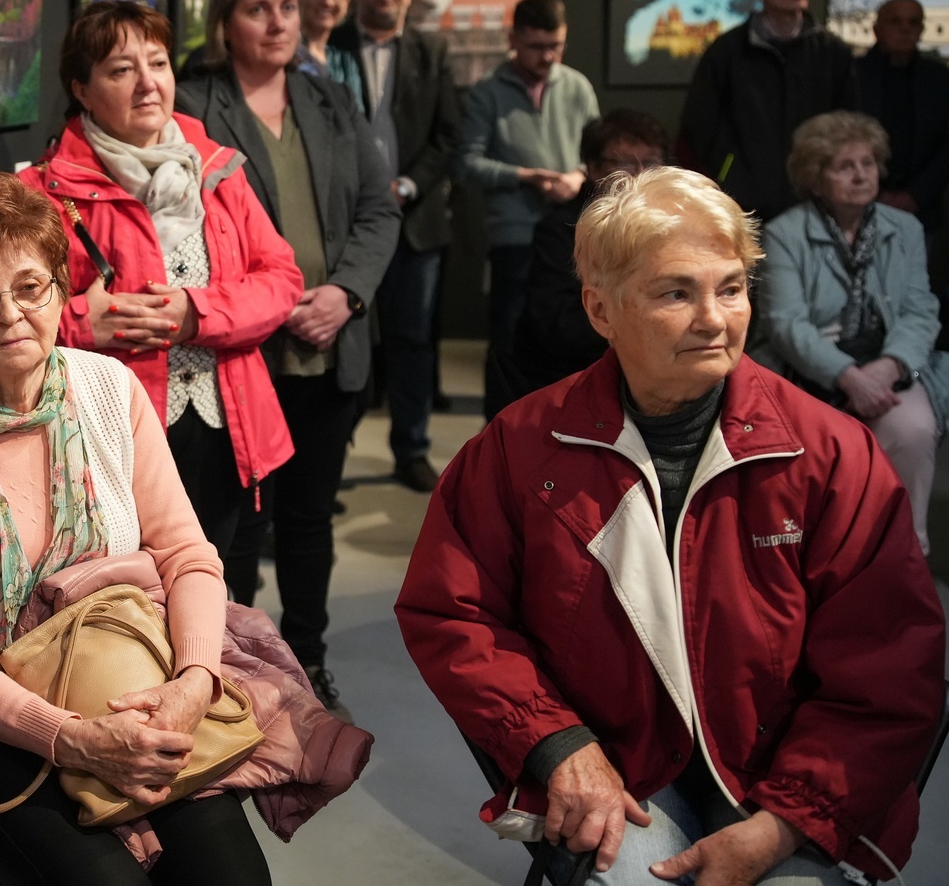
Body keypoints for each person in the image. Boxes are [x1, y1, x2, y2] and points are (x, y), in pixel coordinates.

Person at [397, 167, 944, 886]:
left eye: (732, 288)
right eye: (676, 293)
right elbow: (454, 611)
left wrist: (785, 823)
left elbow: (892, 664)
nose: (715, 319)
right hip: (619, 765)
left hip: (791, 778)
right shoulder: (521, 447)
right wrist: (558, 744)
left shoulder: (832, 454)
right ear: (601, 310)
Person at [0, 172, 273, 886]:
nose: (11, 315)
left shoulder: (109, 389)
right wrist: (73, 739)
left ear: (60, 293)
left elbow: (187, 556)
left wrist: (193, 683)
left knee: (233, 877)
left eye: (30, 288)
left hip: (133, 683)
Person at [175, 0, 399, 714]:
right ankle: (232, 669)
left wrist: (347, 294)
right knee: (234, 529)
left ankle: (307, 660)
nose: (277, 24)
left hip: (329, 349)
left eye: (288, 8)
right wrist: (261, 302)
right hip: (242, 358)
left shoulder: (328, 99)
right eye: (257, 9)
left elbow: (379, 210)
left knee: (308, 521)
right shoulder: (192, 105)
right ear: (225, 20)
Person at [20, 0, 304, 567]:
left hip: (230, 428)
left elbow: (281, 279)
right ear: (82, 89)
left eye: (158, 63)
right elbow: (10, 312)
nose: (148, 83)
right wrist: (81, 325)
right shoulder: (41, 191)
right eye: (122, 70)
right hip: (115, 435)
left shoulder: (216, 168)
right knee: (139, 594)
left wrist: (198, 314)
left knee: (225, 588)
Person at [754, 111, 948, 555]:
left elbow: (920, 310)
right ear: (815, 179)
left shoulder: (905, 228)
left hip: (888, 360)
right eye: (845, 166)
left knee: (914, 428)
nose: (861, 175)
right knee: (811, 443)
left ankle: (906, 554)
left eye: (868, 163)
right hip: (807, 366)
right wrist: (849, 377)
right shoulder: (783, 234)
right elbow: (784, 323)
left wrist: (888, 367)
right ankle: (826, 560)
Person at [329, 0, 461, 491]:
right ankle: (330, 460)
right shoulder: (329, 47)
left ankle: (411, 450)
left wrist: (406, 186)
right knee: (343, 343)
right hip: (346, 222)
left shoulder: (433, 50)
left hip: (414, 221)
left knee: (411, 341)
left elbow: (449, 135)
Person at [456, 0, 601, 420]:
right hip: (514, 235)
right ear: (513, 39)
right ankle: (501, 435)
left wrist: (577, 176)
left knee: (573, 335)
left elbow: (598, 152)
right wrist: (527, 177)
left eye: (556, 45)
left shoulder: (576, 86)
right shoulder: (486, 93)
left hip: (573, 232)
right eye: (537, 46)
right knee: (510, 339)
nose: (548, 56)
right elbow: (466, 163)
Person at [487, 108, 668, 414]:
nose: (640, 175)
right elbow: (558, 325)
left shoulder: (676, 221)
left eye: (651, 163)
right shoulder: (564, 229)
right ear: (593, 169)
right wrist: (643, 328)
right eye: (625, 163)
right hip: (572, 383)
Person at [679, 0, 859, 220]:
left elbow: (849, 125)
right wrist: (727, 175)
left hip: (817, 201)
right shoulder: (727, 51)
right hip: (743, 203)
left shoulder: (832, 52)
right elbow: (699, 123)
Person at [857, 0, 949, 237]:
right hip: (855, 205)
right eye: (895, 21)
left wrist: (915, 195)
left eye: (913, 22)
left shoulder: (939, 78)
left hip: (921, 209)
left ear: (921, 29)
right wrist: (876, 194)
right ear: (877, 29)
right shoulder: (852, 75)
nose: (905, 28)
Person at [294, 0, 364, 107]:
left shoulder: (345, 63)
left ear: (348, 0)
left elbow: (357, 117)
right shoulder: (284, 53)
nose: (327, 2)